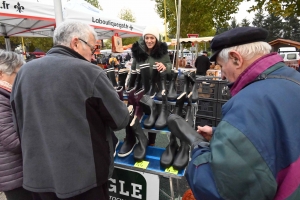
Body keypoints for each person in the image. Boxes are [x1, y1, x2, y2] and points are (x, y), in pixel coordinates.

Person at [167, 27, 300, 199]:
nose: (221, 75)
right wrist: (220, 135)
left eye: (222, 67)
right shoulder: (293, 79)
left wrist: (198, 145)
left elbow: (219, 189)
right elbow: (278, 138)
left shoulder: (249, 103)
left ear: (236, 59)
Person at [11, 20, 130, 200]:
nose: (93, 56)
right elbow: (120, 120)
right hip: (83, 180)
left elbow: (17, 121)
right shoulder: (89, 72)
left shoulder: (23, 72)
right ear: (76, 43)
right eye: (92, 49)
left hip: (38, 177)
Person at [130, 24, 171, 146]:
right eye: (147, 37)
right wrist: (129, 84)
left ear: (156, 38)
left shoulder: (162, 53)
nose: (149, 40)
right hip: (140, 86)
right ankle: (137, 139)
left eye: (152, 38)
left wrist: (165, 67)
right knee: (137, 114)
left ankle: (151, 142)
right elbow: (133, 69)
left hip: (156, 87)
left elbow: (169, 66)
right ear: (143, 38)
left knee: (153, 114)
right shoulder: (138, 52)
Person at [0, 50, 33, 200]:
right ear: (1, 74)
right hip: (15, 176)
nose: (21, 79)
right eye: (17, 74)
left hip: (16, 172)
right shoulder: (2, 99)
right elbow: (12, 141)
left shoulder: (7, 94)